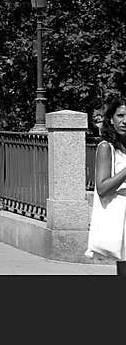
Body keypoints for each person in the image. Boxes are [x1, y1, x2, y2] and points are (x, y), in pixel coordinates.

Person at [86, 96, 126, 274]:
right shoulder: (106, 147)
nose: (125, 121)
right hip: (120, 216)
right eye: (121, 115)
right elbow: (102, 189)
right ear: (111, 118)